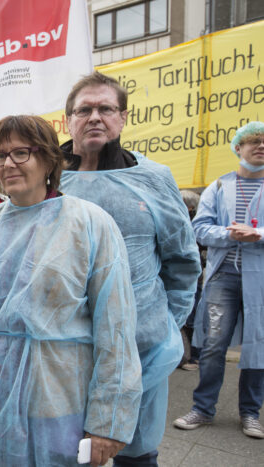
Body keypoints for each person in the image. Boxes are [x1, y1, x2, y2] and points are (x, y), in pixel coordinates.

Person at [0, 115, 141, 466]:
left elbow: (117, 327)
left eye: (21, 152)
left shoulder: (89, 223)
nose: (7, 164)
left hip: (58, 398)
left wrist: (108, 420)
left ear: (49, 159)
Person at [59, 71, 201, 466]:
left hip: (141, 352)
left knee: (135, 453)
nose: (94, 118)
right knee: (66, 453)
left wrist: (163, 326)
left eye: (106, 108)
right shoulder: (48, 181)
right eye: (84, 109)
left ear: (122, 118)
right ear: (68, 120)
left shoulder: (152, 179)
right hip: (63, 355)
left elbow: (183, 261)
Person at [173, 121, 264, 439]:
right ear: (238, 147)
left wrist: (259, 234)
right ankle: (203, 408)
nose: (261, 146)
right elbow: (199, 228)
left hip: (261, 279)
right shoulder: (219, 187)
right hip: (223, 278)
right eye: (254, 141)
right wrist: (229, 234)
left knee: (258, 345)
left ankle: (251, 413)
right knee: (213, 346)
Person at [178, 189, 204, 371]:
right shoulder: (179, 220)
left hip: (193, 277)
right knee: (188, 318)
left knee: (192, 318)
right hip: (187, 276)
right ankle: (189, 357)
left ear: (190, 207)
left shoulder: (193, 223)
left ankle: (193, 357)